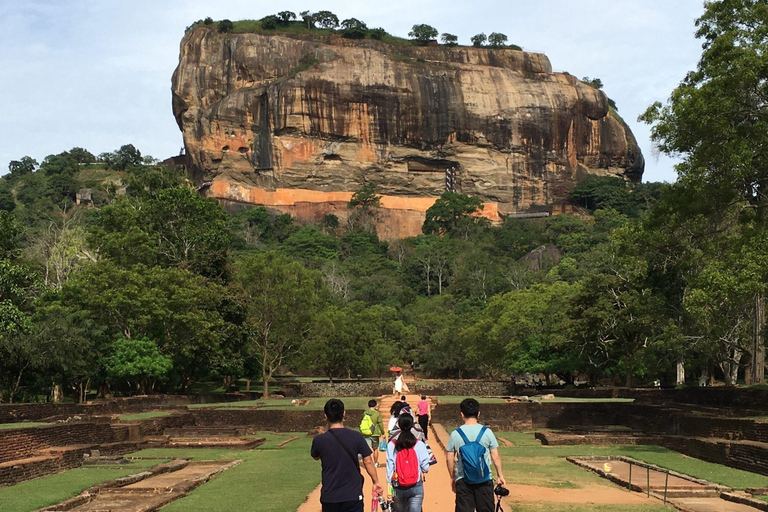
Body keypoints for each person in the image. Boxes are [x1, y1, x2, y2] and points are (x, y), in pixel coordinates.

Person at [311, 399, 384, 512]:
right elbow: (368, 461)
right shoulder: (356, 437)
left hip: (330, 495)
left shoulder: (319, 440)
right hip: (352, 494)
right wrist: (376, 481)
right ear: (344, 414)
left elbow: (316, 456)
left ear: (325, 416)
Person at [447, 398, 507, 512]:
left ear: (462, 414)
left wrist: (453, 477)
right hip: (484, 479)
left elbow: (449, 458)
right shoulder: (487, 432)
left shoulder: (456, 434)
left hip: (463, 480)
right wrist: (500, 476)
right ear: (478, 413)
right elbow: (496, 456)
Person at [386, 414, 431, 512]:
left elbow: (390, 466)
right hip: (416, 485)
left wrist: (389, 485)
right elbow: (425, 467)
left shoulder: (392, 444)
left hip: (398, 486)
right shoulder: (419, 444)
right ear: (412, 425)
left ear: (398, 425)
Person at [359, 399, 385, 468]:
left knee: (366, 448)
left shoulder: (365, 413)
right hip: (375, 433)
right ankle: (375, 462)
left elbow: (362, 422)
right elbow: (380, 424)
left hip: (366, 432)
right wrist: (383, 433)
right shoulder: (377, 414)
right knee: (375, 448)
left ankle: (367, 462)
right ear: (375, 405)